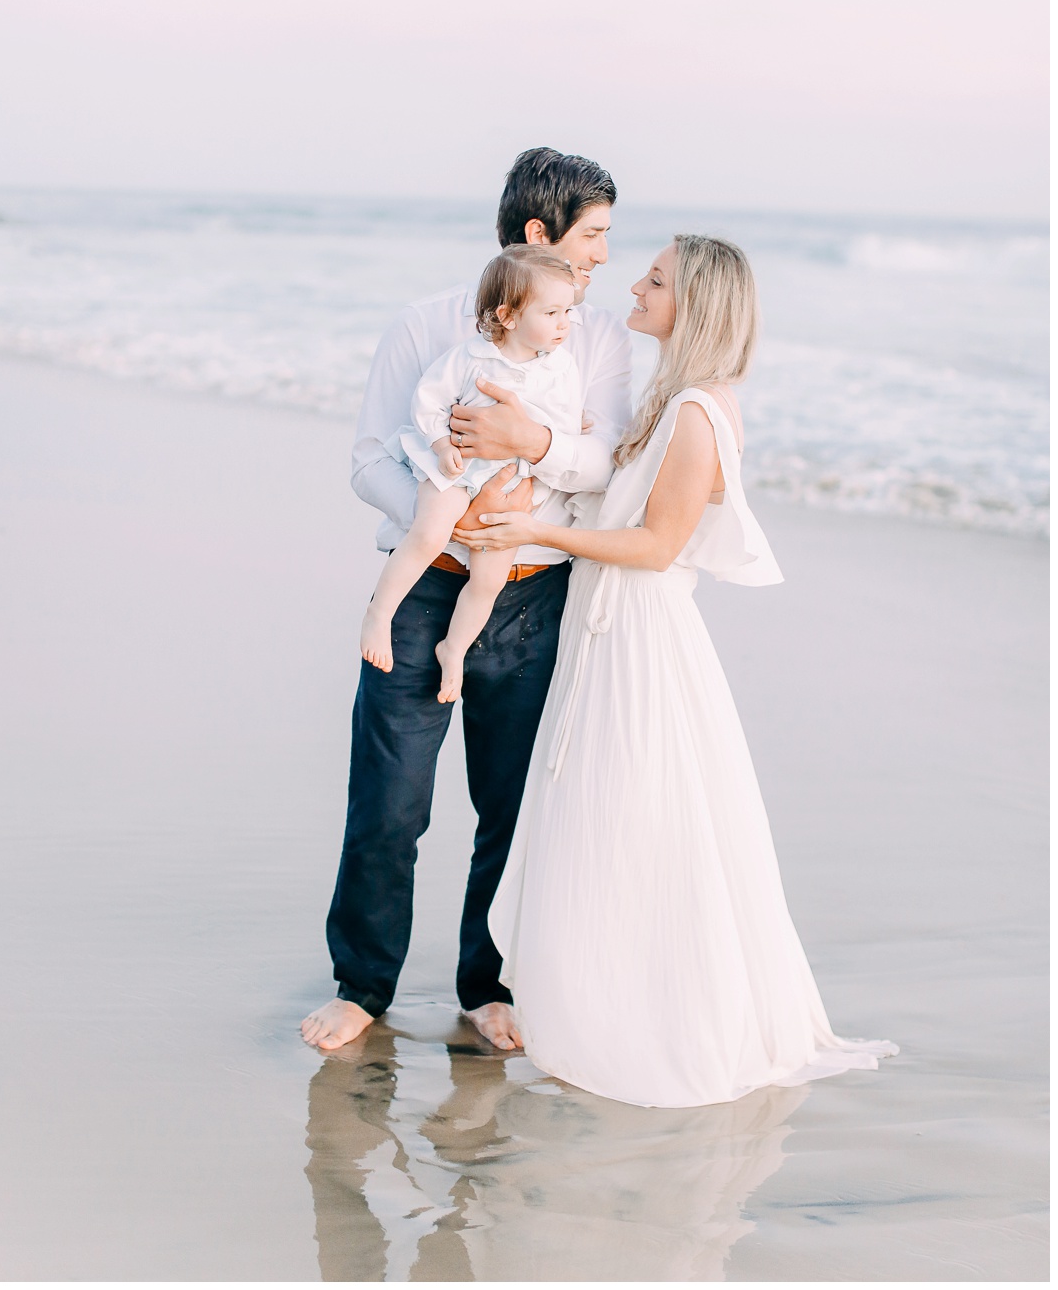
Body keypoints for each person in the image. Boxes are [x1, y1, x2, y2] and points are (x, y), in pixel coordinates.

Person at [455, 234, 898, 1107]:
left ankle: (651, 1017)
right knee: (602, 817)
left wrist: (533, 534)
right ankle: (592, 994)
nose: (634, 284)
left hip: (641, 638)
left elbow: (656, 547)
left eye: (655, 280)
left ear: (693, 303)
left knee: (640, 819)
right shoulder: (669, 397)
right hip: (604, 625)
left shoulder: (699, 410)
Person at [301, 148, 632, 1054]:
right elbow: (370, 458)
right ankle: (362, 984)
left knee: (511, 804)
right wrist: (453, 522)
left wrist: (531, 440)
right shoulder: (423, 327)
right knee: (390, 801)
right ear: (540, 235)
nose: (605, 255)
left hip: (532, 597)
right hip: (428, 590)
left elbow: (605, 467)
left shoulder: (597, 340)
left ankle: (488, 987)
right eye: (595, 235)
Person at [361, 246, 583, 703]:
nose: (566, 323)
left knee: (489, 578)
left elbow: (562, 427)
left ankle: (454, 649)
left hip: (507, 484)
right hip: (457, 467)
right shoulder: (471, 358)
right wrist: (442, 446)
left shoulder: (561, 367)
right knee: (427, 535)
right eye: (553, 312)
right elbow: (428, 402)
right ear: (509, 315)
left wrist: (566, 429)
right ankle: (380, 614)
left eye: (569, 311)